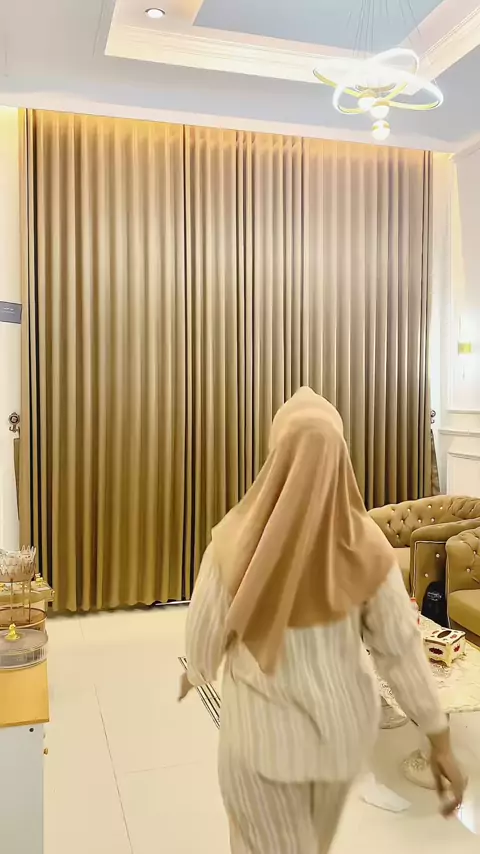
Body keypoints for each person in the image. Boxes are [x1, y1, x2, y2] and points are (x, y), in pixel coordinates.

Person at [179, 387, 465, 853]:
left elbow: (202, 638)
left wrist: (195, 671)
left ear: (276, 454)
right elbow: (400, 653)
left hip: (254, 741)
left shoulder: (233, 537)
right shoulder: (367, 545)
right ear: (341, 458)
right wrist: (439, 738)